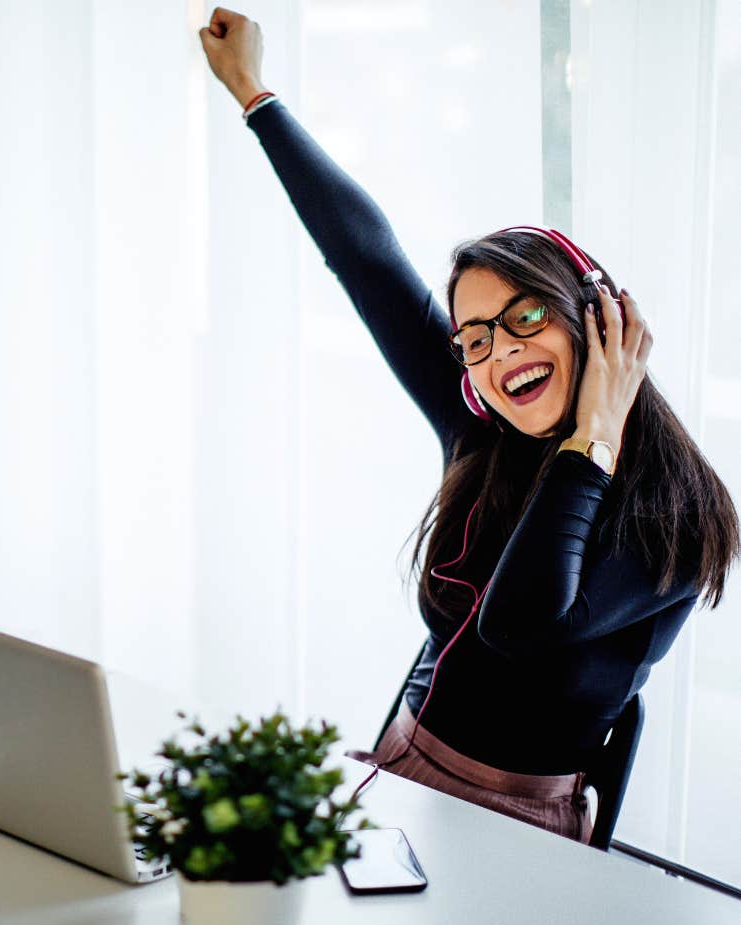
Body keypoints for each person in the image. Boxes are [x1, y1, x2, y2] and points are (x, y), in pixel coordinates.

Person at [198, 8, 739, 843]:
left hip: (522, 822)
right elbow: (366, 258)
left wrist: (592, 436)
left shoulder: (678, 510)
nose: (496, 355)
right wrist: (253, 94)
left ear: (594, 317)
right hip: (397, 767)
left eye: (525, 318)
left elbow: (518, 626)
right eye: (474, 340)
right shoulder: (484, 433)